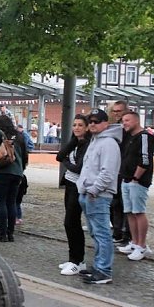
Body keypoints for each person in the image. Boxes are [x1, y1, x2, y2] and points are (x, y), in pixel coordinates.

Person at [76, 108, 122, 285]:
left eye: (96, 121)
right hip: (89, 193)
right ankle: (99, 266)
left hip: (98, 195)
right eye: (91, 121)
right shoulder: (96, 141)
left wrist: (94, 190)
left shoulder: (109, 143)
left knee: (102, 233)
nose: (92, 124)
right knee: (96, 232)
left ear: (105, 123)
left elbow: (108, 172)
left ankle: (104, 270)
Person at [116, 111, 154, 261]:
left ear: (136, 121)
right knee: (129, 212)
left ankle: (142, 245)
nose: (124, 123)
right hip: (126, 179)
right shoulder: (129, 137)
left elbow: (145, 159)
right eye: (123, 120)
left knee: (139, 211)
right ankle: (134, 242)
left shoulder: (144, 137)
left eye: (127, 120)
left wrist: (136, 177)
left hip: (137, 181)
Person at [56, 114, 91, 276]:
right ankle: (73, 259)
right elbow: (59, 155)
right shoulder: (75, 142)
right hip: (70, 184)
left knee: (71, 221)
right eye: (75, 125)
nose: (77, 128)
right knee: (70, 223)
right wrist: (72, 143)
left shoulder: (88, 144)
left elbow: (78, 168)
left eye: (80, 125)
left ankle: (78, 261)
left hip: (79, 186)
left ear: (87, 127)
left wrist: (66, 163)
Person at [0, 114, 26, 242]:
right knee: (12, 202)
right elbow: (25, 155)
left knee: (2, 202)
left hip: (3, 172)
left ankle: (2, 232)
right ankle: (10, 233)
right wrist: (21, 169)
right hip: (17, 173)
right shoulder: (20, 136)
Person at [107, 100, 131, 246]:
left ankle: (125, 234)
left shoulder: (128, 130)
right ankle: (117, 232)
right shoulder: (113, 129)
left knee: (124, 204)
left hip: (125, 172)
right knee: (114, 203)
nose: (116, 114)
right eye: (114, 111)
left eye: (119, 111)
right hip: (115, 170)